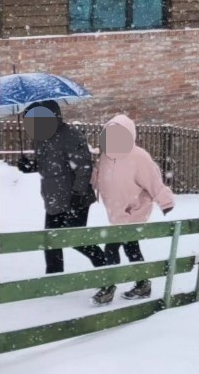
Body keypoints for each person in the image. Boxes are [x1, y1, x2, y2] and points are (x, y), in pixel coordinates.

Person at [15, 101, 107, 276]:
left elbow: (84, 166)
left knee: (76, 240)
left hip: (74, 198)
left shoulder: (70, 135)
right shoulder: (42, 138)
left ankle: (105, 270)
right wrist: (30, 166)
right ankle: (54, 279)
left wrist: (78, 193)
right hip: (54, 199)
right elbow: (50, 165)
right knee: (51, 241)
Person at [92, 114, 175, 304]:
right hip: (116, 213)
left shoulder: (138, 157)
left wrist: (165, 201)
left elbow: (154, 181)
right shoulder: (105, 156)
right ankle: (143, 284)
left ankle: (108, 287)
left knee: (111, 250)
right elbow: (99, 179)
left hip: (133, 211)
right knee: (132, 249)